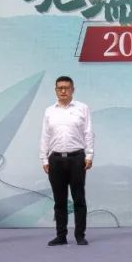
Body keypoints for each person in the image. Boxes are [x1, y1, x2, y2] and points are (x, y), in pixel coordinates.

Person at [40, 75, 94, 246]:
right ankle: (61, 235)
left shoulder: (82, 108)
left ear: (73, 90)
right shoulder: (49, 111)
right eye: (60, 88)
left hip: (77, 158)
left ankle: (80, 235)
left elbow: (88, 132)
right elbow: (45, 135)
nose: (63, 91)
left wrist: (89, 155)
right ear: (56, 90)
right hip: (55, 159)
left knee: (79, 198)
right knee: (59, 200)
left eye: (66, 88)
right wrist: (44, 158)